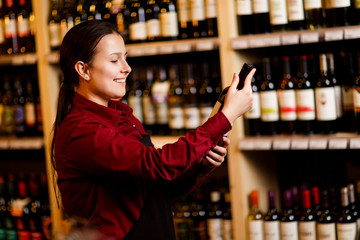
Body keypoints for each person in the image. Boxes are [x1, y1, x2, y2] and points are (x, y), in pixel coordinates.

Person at [51, 20, 255, 240]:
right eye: (114, 60)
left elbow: (158, 189)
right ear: (83, 69)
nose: (126, 67)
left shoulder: (124, 117)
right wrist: (226, 117)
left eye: (125, 57)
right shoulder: (81, 130)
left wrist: (201, 165)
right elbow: (158, 165)